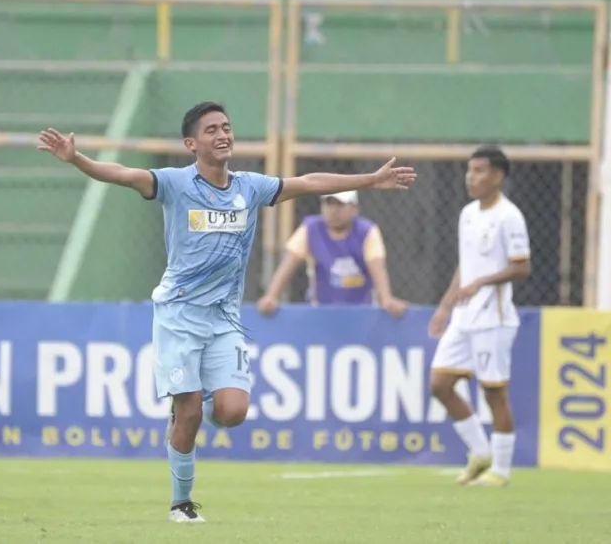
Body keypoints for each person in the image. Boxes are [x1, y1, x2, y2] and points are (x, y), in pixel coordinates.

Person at [37, 102, 416, 522]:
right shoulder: (175, 184)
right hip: (179, 314)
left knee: (233, 412)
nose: (222, 134)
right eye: (212, 129)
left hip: (223, 318)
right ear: (191, 143)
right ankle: (181, 503)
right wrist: (78, 160)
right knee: (191, 411)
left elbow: (308, 182)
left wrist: (371, 178)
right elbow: (125, 175)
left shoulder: (250, 187)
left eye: (227, 127)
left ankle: (187, 413)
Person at [428, 145, 530, 488]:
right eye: (469, 170)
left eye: (479, 170)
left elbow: (521, 266)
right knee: (440, 384)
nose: (471, 177)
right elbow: (466, 264)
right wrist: (446, 305)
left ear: (498, 176)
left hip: (494, 318)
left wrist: (481, 283)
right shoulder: (468, 213)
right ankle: (480, 452)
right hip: (464, 316)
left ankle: (500, 471)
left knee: (493, 393)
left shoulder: (509, 215)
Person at [256, 190, 407, 317]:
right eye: (329, 203)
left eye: (340, 204)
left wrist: (386, 299)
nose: (333, 210)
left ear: (354, 208)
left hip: (361, 315)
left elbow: (377, 268)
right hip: (319, 314)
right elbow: (288, 263)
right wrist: (272, 296)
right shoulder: (310, 228)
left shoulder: (367, 231)